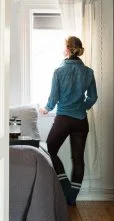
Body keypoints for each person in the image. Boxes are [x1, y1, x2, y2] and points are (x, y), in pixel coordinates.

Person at [39, 36, 98, 206]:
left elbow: (54, 98)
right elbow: (93, 97)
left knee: (49, 149)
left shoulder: (59, 71)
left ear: (67, 49)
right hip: (81, 120)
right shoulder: (88, 72)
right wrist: (82, 107)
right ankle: (72, 197)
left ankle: (64, 184)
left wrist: (47, 108)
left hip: (64, 119)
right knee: (78, 158)